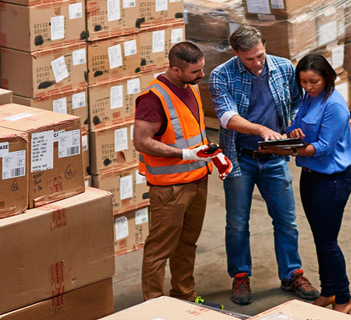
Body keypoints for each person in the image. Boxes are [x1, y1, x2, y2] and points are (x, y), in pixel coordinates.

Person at [209, 25, 316, 305]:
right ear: (236, 54)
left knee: (286, 221)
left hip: (275, 159)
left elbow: (296, 103)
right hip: (240, 158)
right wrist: (260, 130)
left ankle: (292, 274)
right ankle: (241, 276)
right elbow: (226, 115)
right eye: (249, 59)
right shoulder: (222, 75)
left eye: (260, 55)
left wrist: (293, 127)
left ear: (264, 46)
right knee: (236, 223)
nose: (257, 63)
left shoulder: (283, 67)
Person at [133, 41, 215, 301]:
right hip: (170, 188)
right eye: (195, 72)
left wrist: (210, 154)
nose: (201, 76)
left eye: (202, 69)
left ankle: (184, 297)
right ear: (176, 70)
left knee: (187, 245)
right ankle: (154, 305)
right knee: (160, 249)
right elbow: (142, 141)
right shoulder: (153, 98)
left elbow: (191, 131)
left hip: (198, 180)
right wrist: (184, 154)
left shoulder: (192, 87)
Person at [276, 53, 351, 313]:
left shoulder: (335, 105)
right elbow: (296, 126)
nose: (308, 87)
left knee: (328, 241)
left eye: (314, 81)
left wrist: (291, 151)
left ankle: (344, 297)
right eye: (304, 82)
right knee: (320, 237)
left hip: (332, 181)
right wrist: (292, 133)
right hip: (310, 177)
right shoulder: (310, 100)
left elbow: (323, 146)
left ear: (327, 77)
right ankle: (328, 290)